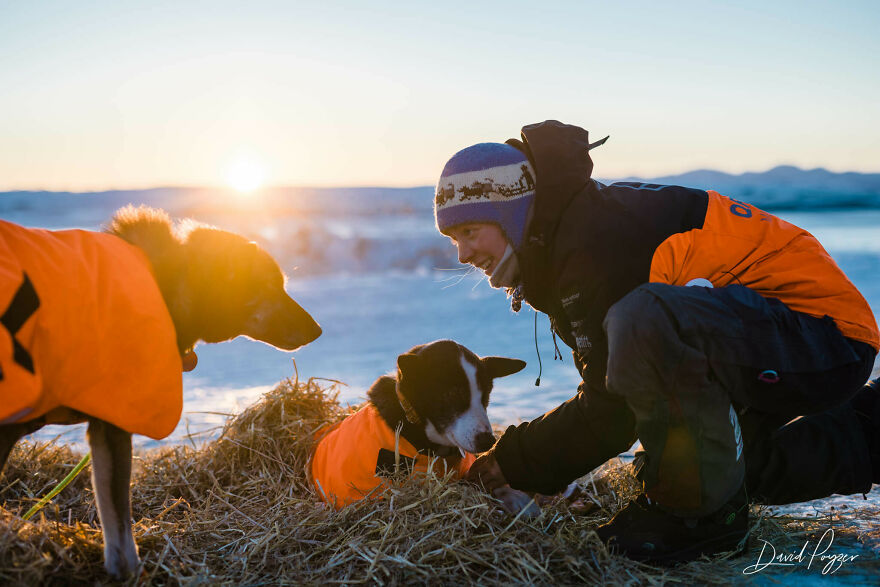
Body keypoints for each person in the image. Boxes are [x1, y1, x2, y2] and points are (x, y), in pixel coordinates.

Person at [432, 120, 880, 563]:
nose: (463, 255)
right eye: (454, 239)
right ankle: (870, 431)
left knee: (647, 325)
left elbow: (613, 410)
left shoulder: (595, 239)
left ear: (512, 211)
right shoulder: (568, 235)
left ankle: (695, 522)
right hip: (797, 337)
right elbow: (618, 395)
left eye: (469, 232)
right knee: (711, 466)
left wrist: (511, 462)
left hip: (823, 334)